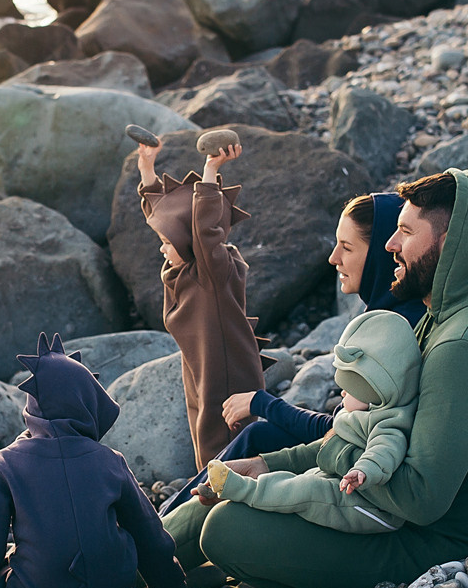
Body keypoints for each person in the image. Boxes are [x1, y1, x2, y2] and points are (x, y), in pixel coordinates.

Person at [164, 169, 468, 588]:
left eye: (406, 232)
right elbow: (373, 432)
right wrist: (272, 466)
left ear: (452, 242)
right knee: (227, 487)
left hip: (429, 543)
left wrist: (310, 471)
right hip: (382, 509)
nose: (390, 245)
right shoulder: (448, 317)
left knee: (227, 528)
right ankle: (133, 559)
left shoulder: (466, 344)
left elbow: (420, 497)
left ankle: (121, 571)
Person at [161, 191, 427, 512]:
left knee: (256, 438)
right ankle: (164, 523)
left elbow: (336, 433)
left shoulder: (394, 332)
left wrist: (262, 402)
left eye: (347, 247)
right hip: (353, 460)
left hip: (357, 476)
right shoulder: (397, 314)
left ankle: (163, 528)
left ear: (381, 256)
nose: (333, 258)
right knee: (257, 435)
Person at [0, 334, 190, 588]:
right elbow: (151, 537)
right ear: (87, 402)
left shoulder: (3, 464)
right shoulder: (111, 460)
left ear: (31, 410)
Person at [203, 309, 420, 529]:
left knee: (304, 489)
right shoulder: (364, 405)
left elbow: (384, 448)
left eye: (349, 388)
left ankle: (244, 490)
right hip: (341, 483)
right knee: (295, 477)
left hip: (367, 506)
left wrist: (364, 469)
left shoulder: (386, 420)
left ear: (377, 389)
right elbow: (332, 431)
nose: (341, 393)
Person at [136, 131, 266, 471]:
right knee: (200, 425)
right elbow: (165, 215)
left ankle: (229, 492)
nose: (162, 248)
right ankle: (209, 486)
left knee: (222, 433)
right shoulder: (181, 269)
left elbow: (205, 229)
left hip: (227, 369)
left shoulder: (213, 272)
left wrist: (210, 170)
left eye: (167, 242)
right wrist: (147, 169)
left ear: (188, 240)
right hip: (199, 364)